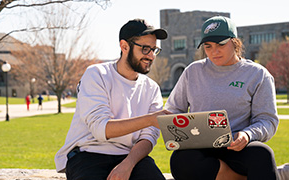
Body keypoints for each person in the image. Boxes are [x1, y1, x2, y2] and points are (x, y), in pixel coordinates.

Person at [165, 16, 280, 180]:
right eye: (208, 46)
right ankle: (236, 178)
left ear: (235, 42)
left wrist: (247, 135)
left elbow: (267, 120)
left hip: (238, 147)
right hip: (200, 146)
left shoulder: (258, 75)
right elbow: (174, 110)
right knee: (180, 160)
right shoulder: (193, 71)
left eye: (220, 44)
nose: (214, 51)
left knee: (262, 154)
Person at [55, 19, 171, 180]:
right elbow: (101, 130)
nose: (151, 56)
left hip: (130, 156)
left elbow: (148, 138)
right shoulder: (97, 74)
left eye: (154, 49)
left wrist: (128, 164)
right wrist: (150, 120)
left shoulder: (152, 88)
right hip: (88, 154)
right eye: (145, 49)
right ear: (124, 46)